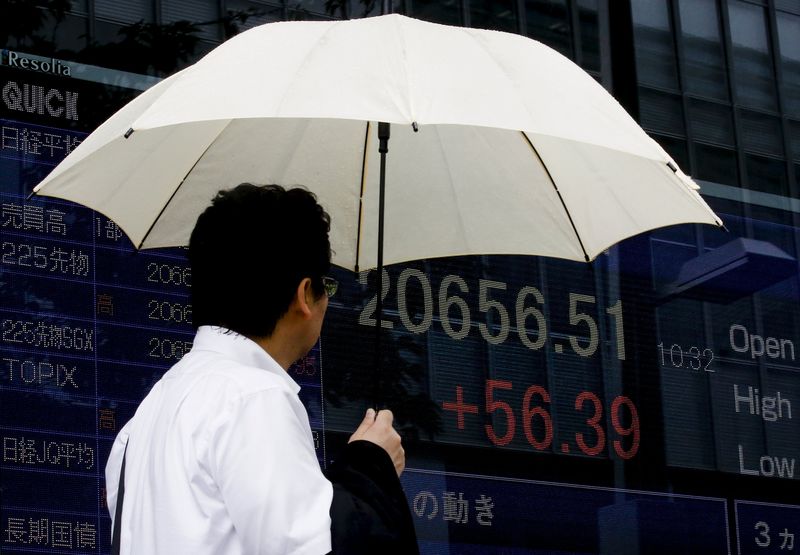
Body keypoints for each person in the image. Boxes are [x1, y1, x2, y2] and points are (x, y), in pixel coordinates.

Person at [105, 183, 419, 554]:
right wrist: (372, 465)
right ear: (305, 295)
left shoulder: (145, 417)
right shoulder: (254, 397)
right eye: (326, 285)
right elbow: (312, 548)